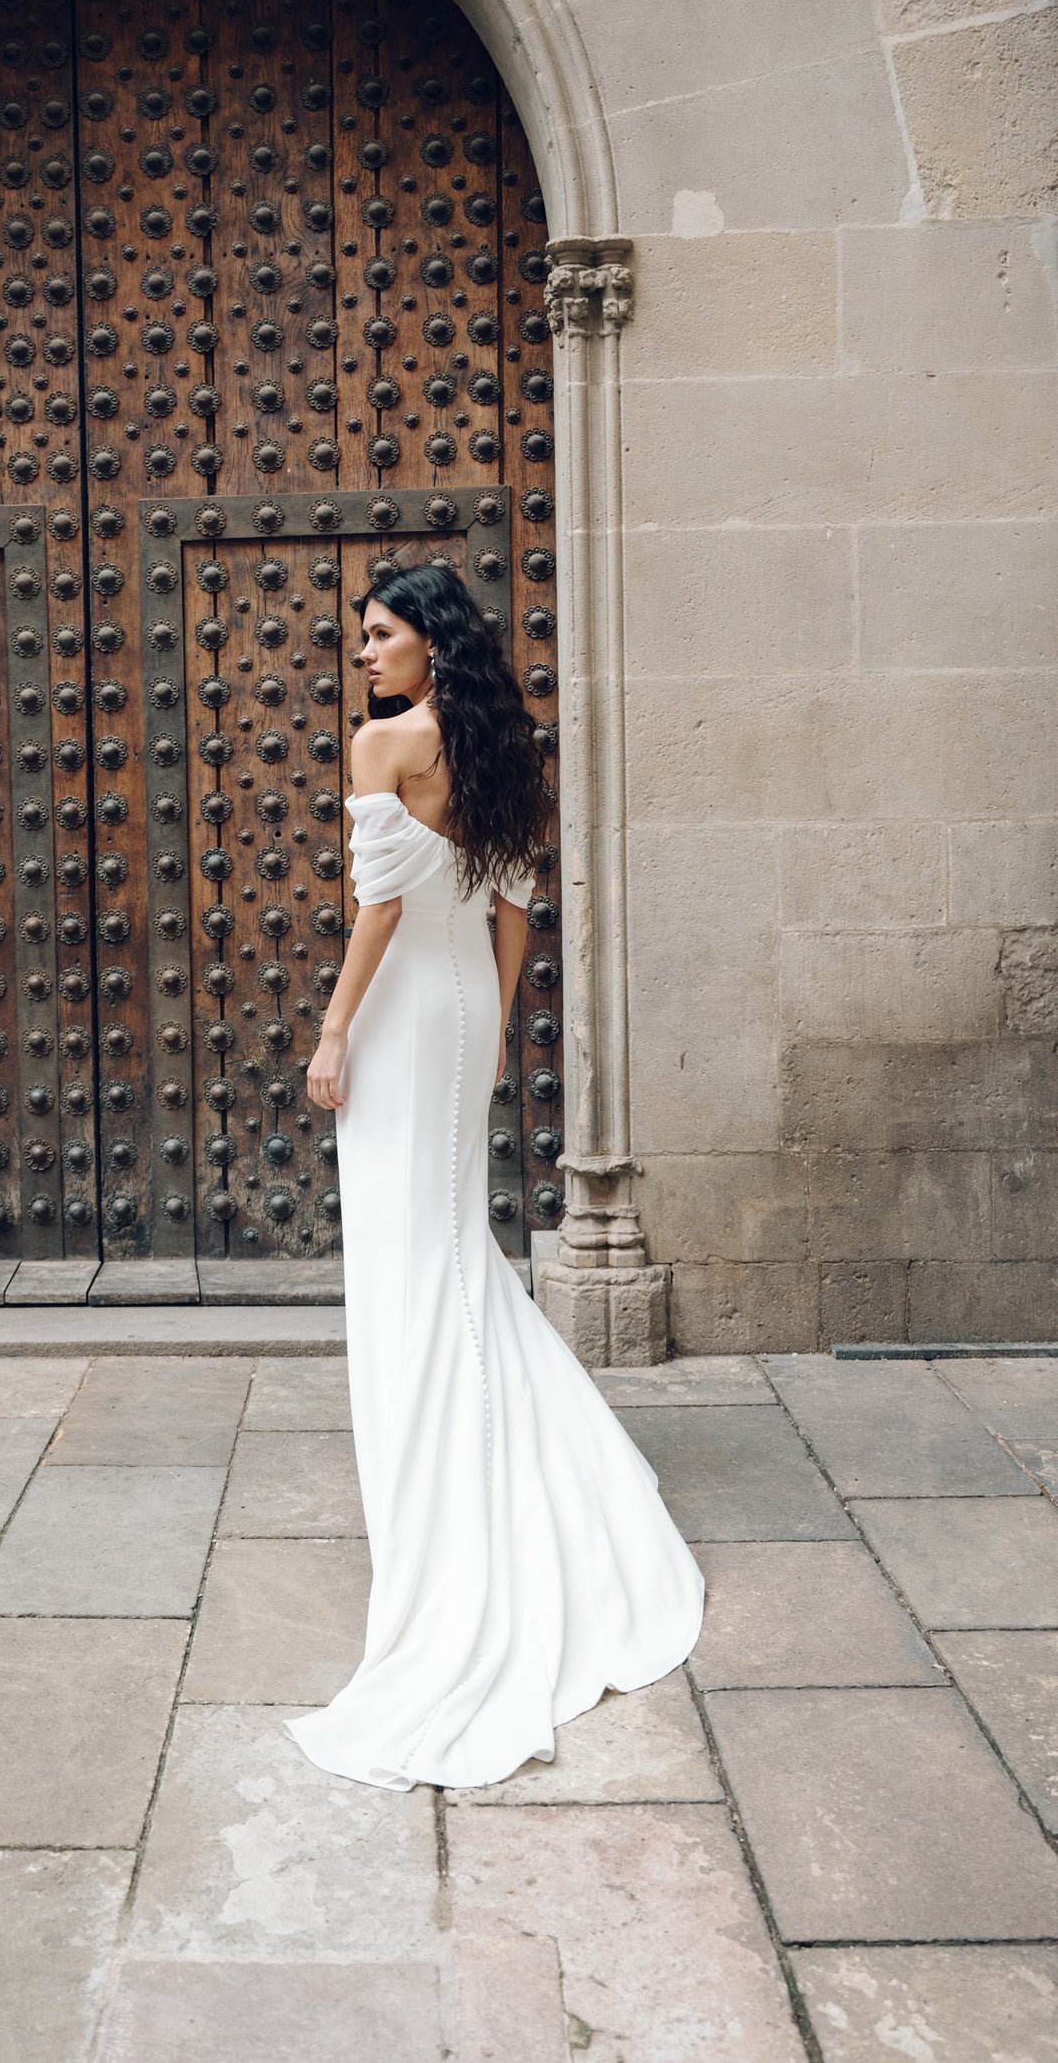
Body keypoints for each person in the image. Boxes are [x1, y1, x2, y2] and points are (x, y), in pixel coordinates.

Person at [282, 562, 705, 1792]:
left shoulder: (384, 746)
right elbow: (514, 910)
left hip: (407, 1007)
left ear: (425, 644)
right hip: (466, 1005)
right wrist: (496, 1014)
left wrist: (330, 1032)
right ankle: (507, 1465)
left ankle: (444, 1493)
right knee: (452, 1242)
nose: (363, 652)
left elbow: (373, 913)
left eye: (378, 634)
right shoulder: (498, 748)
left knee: (411, 1255)